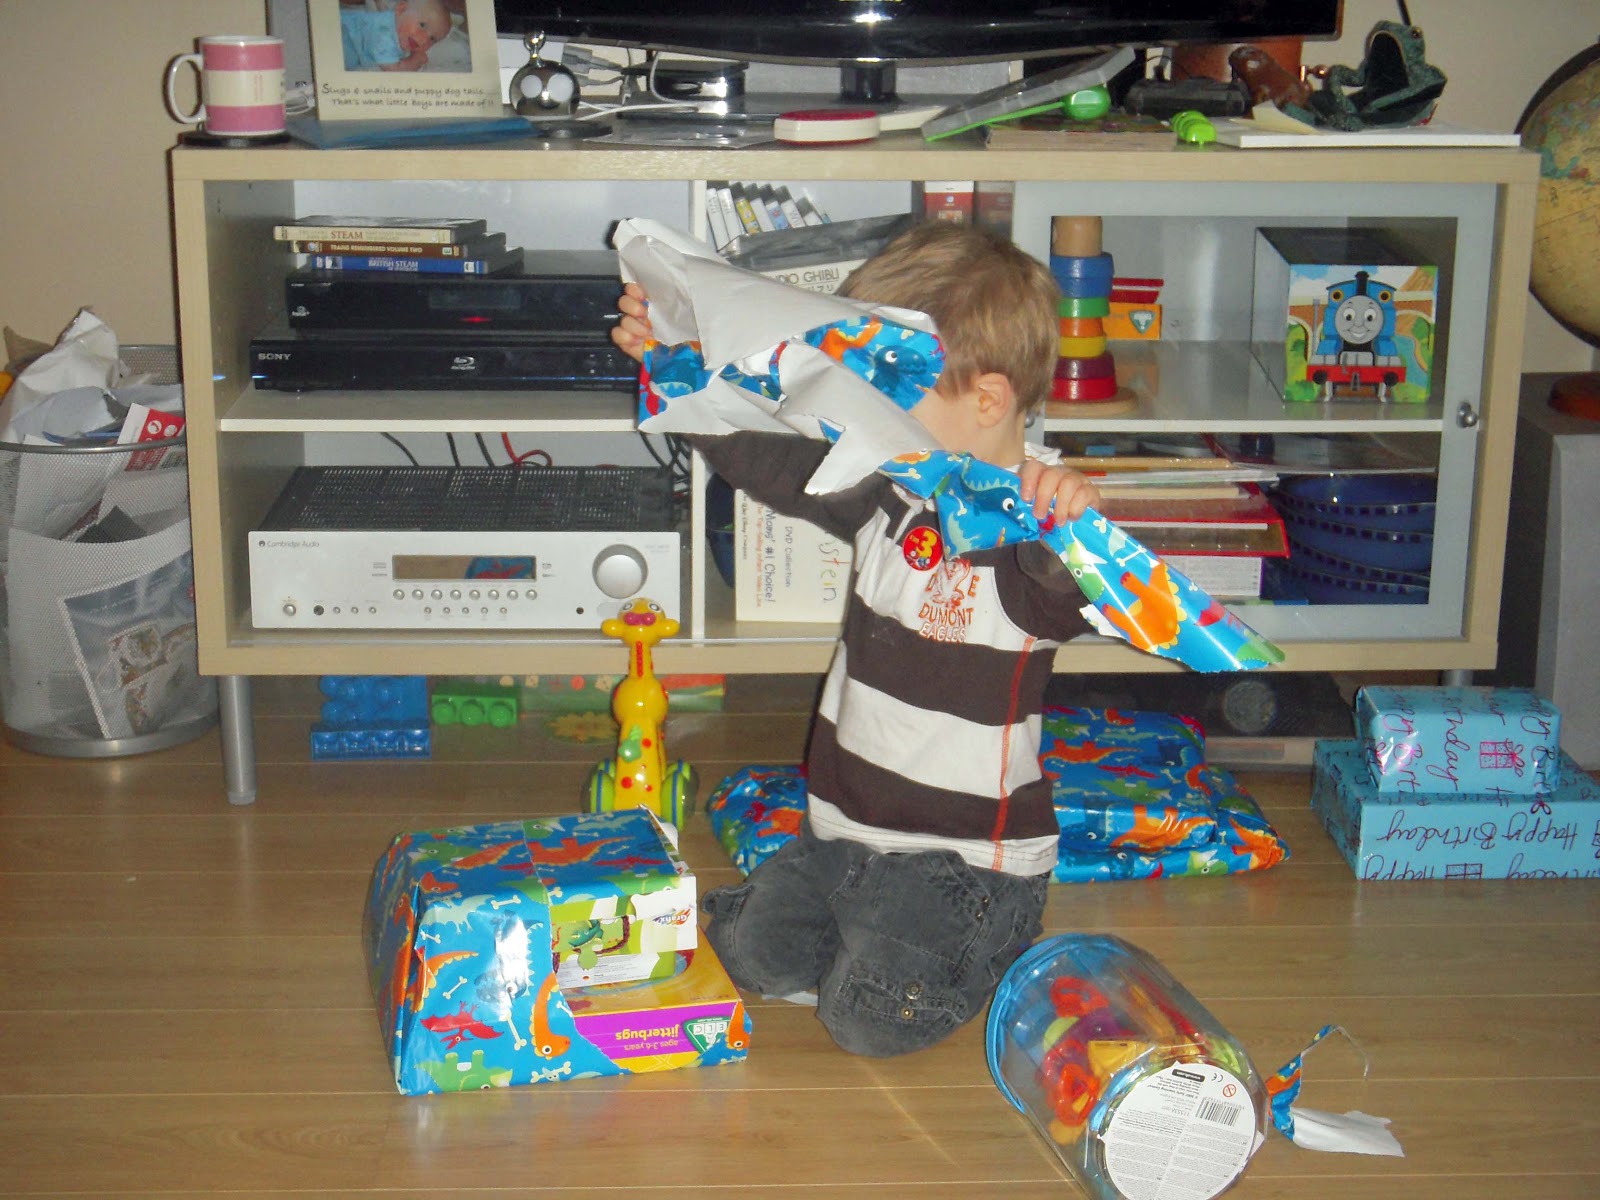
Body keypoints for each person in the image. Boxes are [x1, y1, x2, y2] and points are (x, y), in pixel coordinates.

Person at [611, 221, 1102, 1057]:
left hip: (965, 866)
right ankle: (859, 933)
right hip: (844, 836)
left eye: (881, 394)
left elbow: (1072, 595)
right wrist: (675, 361)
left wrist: (1070, 524)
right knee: (748, 954)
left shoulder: (1029, 535)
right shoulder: (891, 484)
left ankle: (984, 950)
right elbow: (768, 462)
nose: (854, 415)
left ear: (987, 401)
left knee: (865, 1019)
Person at [339, 0, 452, 72]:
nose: (423, 39)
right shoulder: (384, 36)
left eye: (432, 39)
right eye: (422, 25)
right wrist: (414, 61)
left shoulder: (395, 20)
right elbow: (393, 69)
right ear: (401, 9)